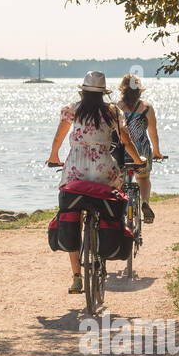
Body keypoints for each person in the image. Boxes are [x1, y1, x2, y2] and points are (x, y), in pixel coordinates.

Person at [46, 71, 145, 294]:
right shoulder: (112, 112)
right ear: (104, 93)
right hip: (105, 172)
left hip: (75, 171)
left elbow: (59, 138)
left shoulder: (72, 110)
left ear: (83, 90)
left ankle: (76, 277)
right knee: (110, 202)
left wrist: (54, 156)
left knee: (73, 214)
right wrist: (138, 160)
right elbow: (126, 141)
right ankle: (103, 245)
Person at [112, 74, 165, 223]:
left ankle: (119, 207)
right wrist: (156, 152)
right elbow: (153, 133)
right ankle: (145, 202)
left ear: (122, 89)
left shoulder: (116, 107)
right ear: (139, 90)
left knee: (119, 181)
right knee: (143, 178)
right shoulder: (147, 108)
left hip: (122, 149)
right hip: (141, 149)